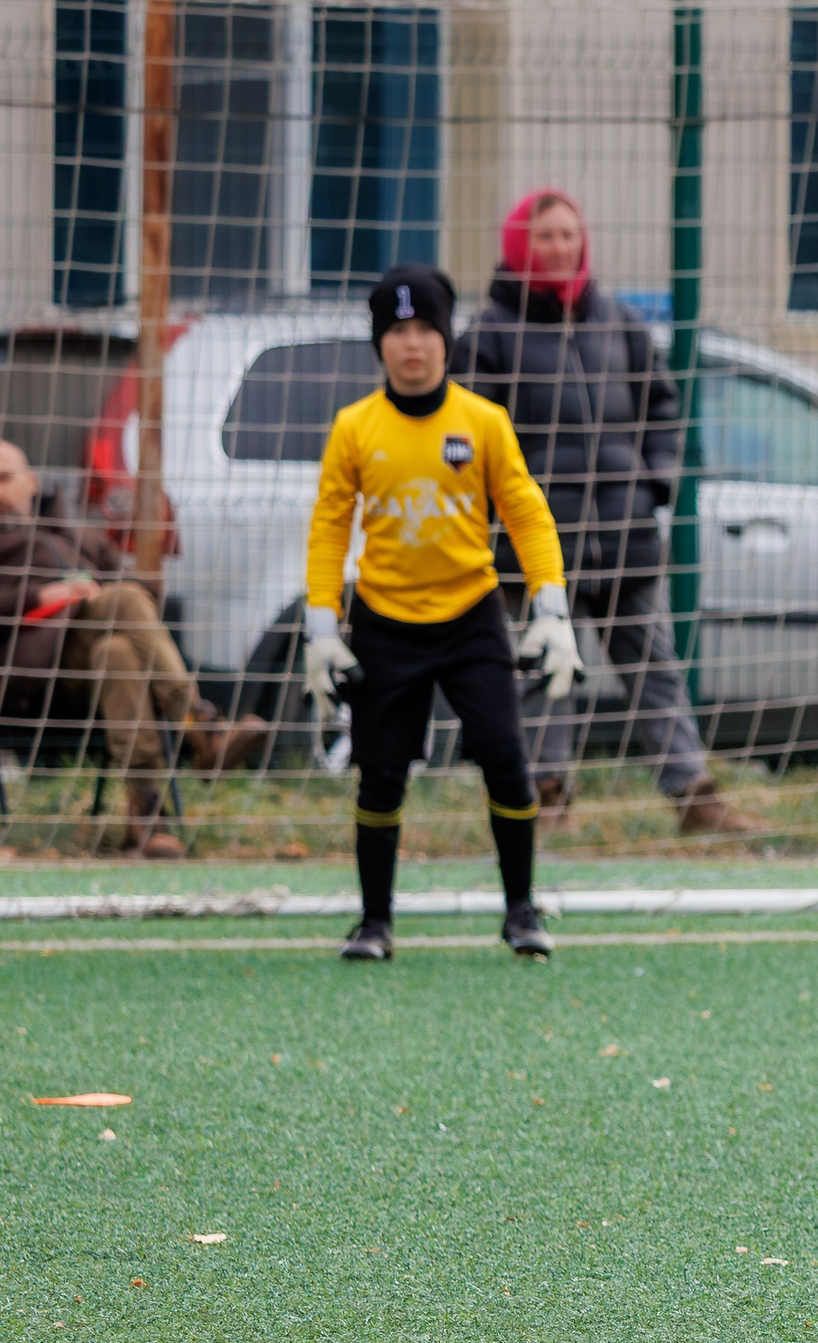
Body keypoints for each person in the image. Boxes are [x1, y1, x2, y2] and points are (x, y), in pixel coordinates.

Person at [305, 266, 582, 962]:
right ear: (380, 343)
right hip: (385, 622)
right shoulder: (353, 427)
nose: (414, 344)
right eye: (398, 331)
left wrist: (551, 608)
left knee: (506, 760)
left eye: (426, 328)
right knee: (381, 772)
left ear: (447, 338)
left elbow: (525, 509)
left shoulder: (483, 422)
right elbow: (330, 527)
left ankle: (522, 910)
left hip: (470, 618)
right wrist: (320, 626)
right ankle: (374, 922)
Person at [464, 187, 746, 837]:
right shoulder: (491, 334)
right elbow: (472, 439)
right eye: (545, 237)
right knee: (543, 674)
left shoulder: (618, 324)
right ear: (518, 247)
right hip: (538, 548)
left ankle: (693, 796)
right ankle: (544, 796)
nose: (560, 248)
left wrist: (654, 483)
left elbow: (663, 409)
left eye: (570, 235)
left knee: (655, 672)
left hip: (623, 537)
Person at [0, 443, 269, 856]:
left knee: (118, 650)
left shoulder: (79, 535)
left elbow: (145, 593)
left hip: (97, 675)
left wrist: (96, 593)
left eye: (5, 479)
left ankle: (146, 818)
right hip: (33, 680)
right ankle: (201, 728)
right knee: (122, 601)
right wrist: (40, 595)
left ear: (31, 481)